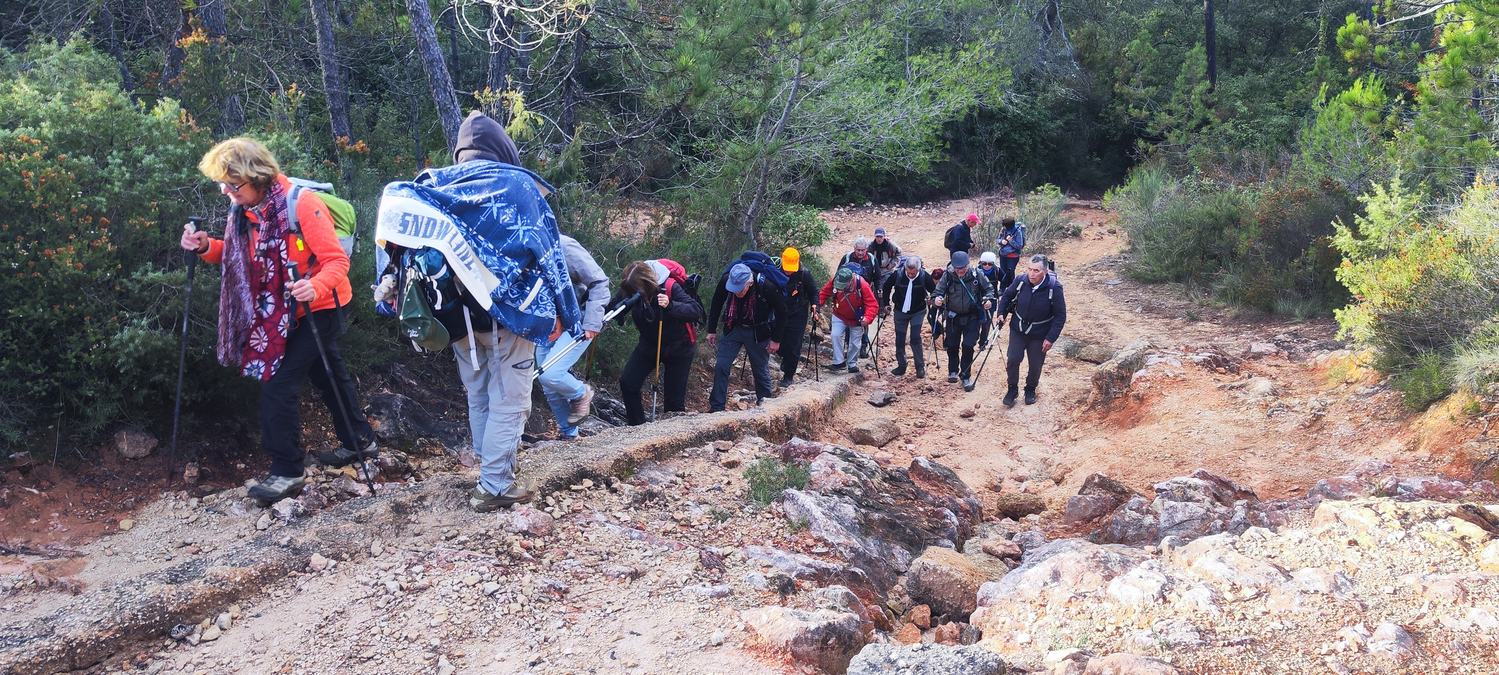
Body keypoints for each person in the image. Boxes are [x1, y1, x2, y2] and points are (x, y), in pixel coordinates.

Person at [376, 110, 581, 512]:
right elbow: (548, 254)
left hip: (455, 318)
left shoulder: (430, 186)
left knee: (480, 396)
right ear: (503, 149)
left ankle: (490, 473)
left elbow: (394, 251)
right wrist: (565, 313)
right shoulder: (517, 184)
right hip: (511, 315)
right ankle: (496, 485)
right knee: (511, 400)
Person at [182, 137, 376, 505]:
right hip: (281, 310)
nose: (227, 192)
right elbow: (240, 258)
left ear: (255, 176)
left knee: (277, 381)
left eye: (233, 184)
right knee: (327, 373)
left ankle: (288, 469)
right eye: (222, 185)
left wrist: (313, 287)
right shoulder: (246, 212)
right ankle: (360, 441)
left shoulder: (301, 204)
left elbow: (336, 261)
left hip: (321, 306)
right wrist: (207, 246)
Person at [536, 234, 610, 439]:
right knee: (548, 384)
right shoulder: (523, 246)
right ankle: (569, 433)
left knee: (550, 374)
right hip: (548, 324)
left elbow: (599, 282)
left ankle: (581, 393)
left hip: (580, 320)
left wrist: (592, 322)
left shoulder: (564, 246)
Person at [613, 261, 703, 425]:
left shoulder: (670, 286)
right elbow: (617, 305)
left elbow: (694, 310)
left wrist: (670, 305)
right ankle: (637, 427)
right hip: (650, 343)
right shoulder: (630, 285)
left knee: (674, 402)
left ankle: (671, 439)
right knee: (628, 383)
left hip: (679, 347)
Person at [706, 263, 788, 412]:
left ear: (749, 283)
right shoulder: (726, 280)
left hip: (758, 332)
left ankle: (766, 406)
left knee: (760, 369)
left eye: (739, 289)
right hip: (733, 327)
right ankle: (716, 407)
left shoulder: (766, 286)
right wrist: (711, 329)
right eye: (734, 289)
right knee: (721, 366)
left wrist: (776, 339)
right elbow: (717, 302)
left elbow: (782, 312)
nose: (736, 292)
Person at [996, 254, 1067, 407]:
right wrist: (1001, 313)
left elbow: (1060, 316)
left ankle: (1030, 389)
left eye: (1036, 270)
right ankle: (1012, 389)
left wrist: (1050, 338)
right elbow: (1007, 296)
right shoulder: (1020, 280)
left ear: (1045, 272)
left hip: (1040, 334)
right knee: (1013, 359)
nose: (1032, 274)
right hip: (1018, 329)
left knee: (1035, 364)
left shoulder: (1054, 288)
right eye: (1030, 269)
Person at [932, 250, 995, 392]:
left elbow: (989, 289)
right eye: (957, 268)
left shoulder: (976, 274)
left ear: (968, 264)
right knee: (952, 345)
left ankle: (966, 375)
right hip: (953, 317)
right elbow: (937, 293)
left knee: (968, 345)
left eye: (962, 268)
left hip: (972, 317)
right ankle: (952, 370)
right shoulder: (947, 275)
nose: (960, 271)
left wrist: (988, 300)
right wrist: (937, 300)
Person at [880, 256, 935, 378]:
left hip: (918, 311)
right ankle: (901, 365)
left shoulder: (924, 276)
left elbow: (935, 290)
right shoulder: (898, 275)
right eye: (908, 272)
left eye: (913, 273)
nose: (910, 275)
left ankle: (920, 367)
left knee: (915, 338)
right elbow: (886, 287)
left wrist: (933, 299)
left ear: (918, 270)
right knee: (900, 338)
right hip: (900, 310)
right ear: (905, 269)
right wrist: (886, 303)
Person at [817, 267, 877, 373]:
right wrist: (816, 306)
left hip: (857, 318)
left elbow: (872, 304)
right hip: (839, 314)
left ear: (850, 281)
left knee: (855, 343)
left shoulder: (862, 284)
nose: (841, 288)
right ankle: (838, 362)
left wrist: (867, 318)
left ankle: (852, 364)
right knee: (835, 335)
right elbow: (824, 293)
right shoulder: (836, 279)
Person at [778, 247, 818, 388]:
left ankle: (789, 376)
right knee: (780, 342)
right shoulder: (776, 270)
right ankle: (784, 357)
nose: (789, 271)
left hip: (798, 313)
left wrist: (815, 307)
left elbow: (814, 292)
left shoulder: (804, 274)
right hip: (779, 312)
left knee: (794, 345)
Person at [976, 251, 1002, 350]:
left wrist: (1001, 290)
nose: (987, 266)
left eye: (990, 264)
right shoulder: (976, 271)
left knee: (986, 323)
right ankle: (973, 339)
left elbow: (1005, 280)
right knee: (977, 322)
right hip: (978, 300)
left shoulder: (997, 271)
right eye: (984, 263)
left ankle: (982, 343)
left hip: (992, 299)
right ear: (981, 263)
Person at [996, 217, 1026, 288]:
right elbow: (997, 239)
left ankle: (1011, 289)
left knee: (1010, 273)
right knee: (1003, 272)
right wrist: (1001, 241)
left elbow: (1019, 245)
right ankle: (1002, 289)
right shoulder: (1004, 229)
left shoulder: (1017, 231)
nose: (1004, 228)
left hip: (1013, 256)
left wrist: (1010, 241)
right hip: (1003, 254)